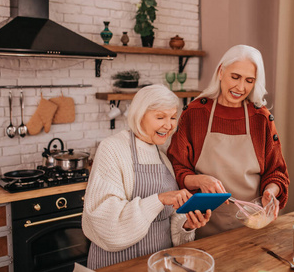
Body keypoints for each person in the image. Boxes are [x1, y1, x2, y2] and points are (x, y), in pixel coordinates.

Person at [82, 84, 211, 270]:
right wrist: (159, 199)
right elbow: (105, 223)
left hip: (159, 264)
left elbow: (171, 221)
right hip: (117, 265)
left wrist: (188, 225)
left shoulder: (163, 158)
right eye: (160, 117)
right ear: (139, 116)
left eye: (173, 117)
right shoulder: (112, 149)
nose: (169, 125)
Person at [167, 44, 290, 238]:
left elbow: (276, 172)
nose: (240, 87)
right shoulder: (195, 113)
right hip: (203, 226)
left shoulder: (262, 119)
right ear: (220, 71)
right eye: (235, 77)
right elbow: (177, 168)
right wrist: (201, 180)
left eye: (249, 81)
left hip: (253, 226)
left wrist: (270, 193)